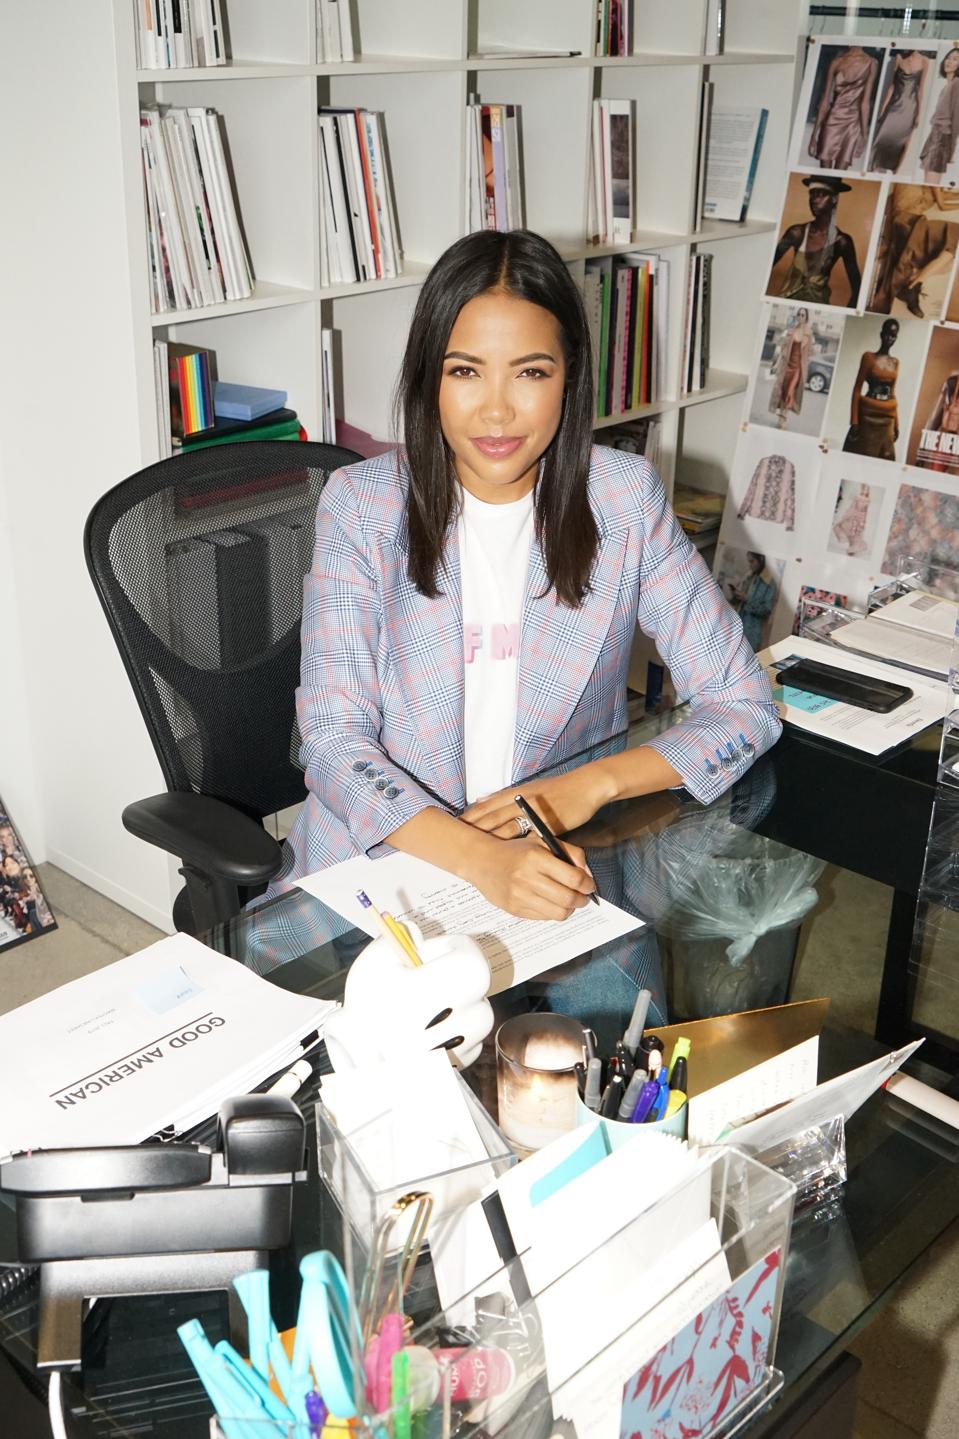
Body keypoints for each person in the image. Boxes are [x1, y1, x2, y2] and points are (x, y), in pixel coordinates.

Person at [275, 230, 780, 1021]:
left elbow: (742, 703)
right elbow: (334, 739)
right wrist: (482, 860)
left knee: (625, 1057)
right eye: (465, 371)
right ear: (428, 381)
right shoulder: (362, 506)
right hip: (384, 863)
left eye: (531, 373)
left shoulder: (622, 499)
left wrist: (585, 787)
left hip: (560, 865)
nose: (498, 409)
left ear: (569, 380)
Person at [770, 177, 862, 308]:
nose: (814, 200)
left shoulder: (841, 242)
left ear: (834, 198)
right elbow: (764, 268)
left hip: (817, 306)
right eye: (811, 194)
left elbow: (858, 289)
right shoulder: (797, 233)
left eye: (821, 194)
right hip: (786, 302)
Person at [808, 45, 879, 171]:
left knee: (828, 174)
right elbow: (864, 103)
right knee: (833, 175)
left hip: (841, 120)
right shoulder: (870, 63)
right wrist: (864, 135)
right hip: (850, 122)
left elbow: (825, 101)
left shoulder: (838, 62)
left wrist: (814, 135)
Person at [842, 318, 900, 460]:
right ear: (881, 334)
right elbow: (857, 389)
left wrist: (897, 424)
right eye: (887, 334)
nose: (889, 338)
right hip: (868, 414)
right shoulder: (869, 357)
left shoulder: (896, 362)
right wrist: (854, 422)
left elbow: (893, 393)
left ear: (896, 338)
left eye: (893, 335)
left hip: (887, 415)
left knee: (885, 457)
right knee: (861, 454)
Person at [869, 49, 929, 172]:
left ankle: (895, 171)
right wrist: (883, 108)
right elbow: (891, 86)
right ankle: (875, 167)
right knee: (882, 135)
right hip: (894, 104)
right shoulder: (899, 58)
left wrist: (918, 113)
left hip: (910, 107)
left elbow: (920, 89)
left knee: (904, 141)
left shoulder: (924, 61)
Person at [768, 307, 813, 429]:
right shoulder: (791, 331)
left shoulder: (809, 333)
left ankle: (784, 419)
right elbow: (783, 349)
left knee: (790, 391)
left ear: (806, 317)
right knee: (783, 390)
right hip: (786, 366)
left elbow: (810, 352)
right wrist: (777, 363)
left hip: (798, 368)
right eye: (798, 314)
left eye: (803, 315)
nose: (800, 316)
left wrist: (805, 365)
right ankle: (781, 416)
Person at [920, 47, 959, 183]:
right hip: (935, 135)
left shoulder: (956, 84)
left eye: (955, 59)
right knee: (926, 180)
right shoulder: (947, 85)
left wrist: (951, 151)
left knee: (931, 182)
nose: (949, 61)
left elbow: (956, 120)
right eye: (948, 57)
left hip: (942, 138)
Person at [727, 554, 776, 652]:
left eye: (752, 561)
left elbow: (766, 610)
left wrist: (746, 598)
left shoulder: (769, 582)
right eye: (748, 561)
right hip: (736, 628)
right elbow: (736, 602)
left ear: (761, 560)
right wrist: (736, 595)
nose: (750, 565)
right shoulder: (748, 577)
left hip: (751, 633)